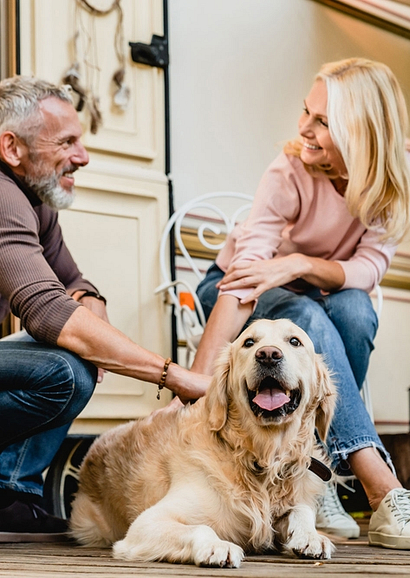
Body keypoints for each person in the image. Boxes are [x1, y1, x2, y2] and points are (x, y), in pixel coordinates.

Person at [191, 58, 410, 549]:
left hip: (313, 291)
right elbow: (245, 275)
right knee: (306, 316)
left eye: (323, 121)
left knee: (355, 308)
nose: (303, 128)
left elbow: (368, 269)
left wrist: (297, 265)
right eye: (306, 112)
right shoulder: (290, 167)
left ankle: (316, 468)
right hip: (236, 290)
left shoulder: (392, 179)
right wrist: (200, 381)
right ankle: (382, 488)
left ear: (361, 133)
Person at [0, 75, 210, 542]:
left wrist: (90, 306)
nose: (83, 155)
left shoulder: (35, 200)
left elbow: (72, 282)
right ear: (12, 148)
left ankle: (10, 494)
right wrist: (175, 375)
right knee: (65, 366)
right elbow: (47, 312)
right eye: (68, 141)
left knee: (81, 351)